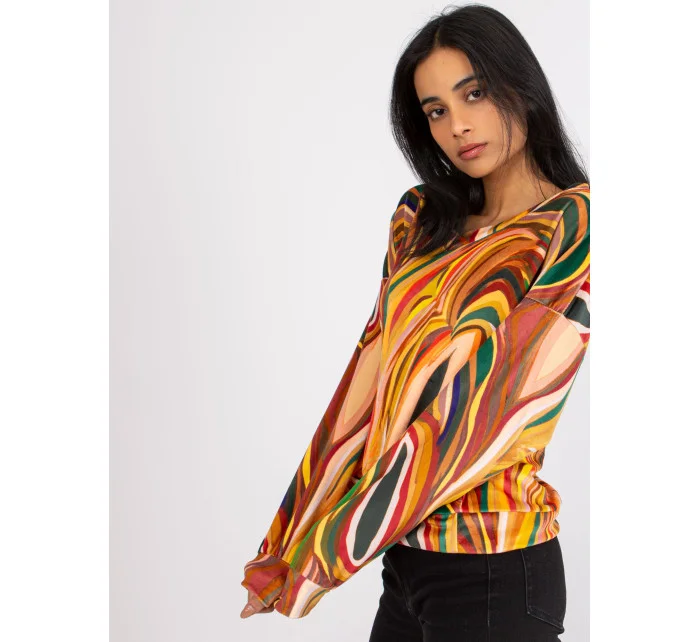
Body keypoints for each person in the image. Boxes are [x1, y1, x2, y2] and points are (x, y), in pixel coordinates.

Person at [240, 4, 589, 640]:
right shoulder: (421, 220)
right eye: (435, 110)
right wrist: (287, 542)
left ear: (521, 86)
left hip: (495, 562)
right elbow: (368, 386)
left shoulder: (575, 226)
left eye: (474, 94)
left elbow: (490, 413)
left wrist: (328, 553)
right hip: (405, 561)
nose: (458, 126)